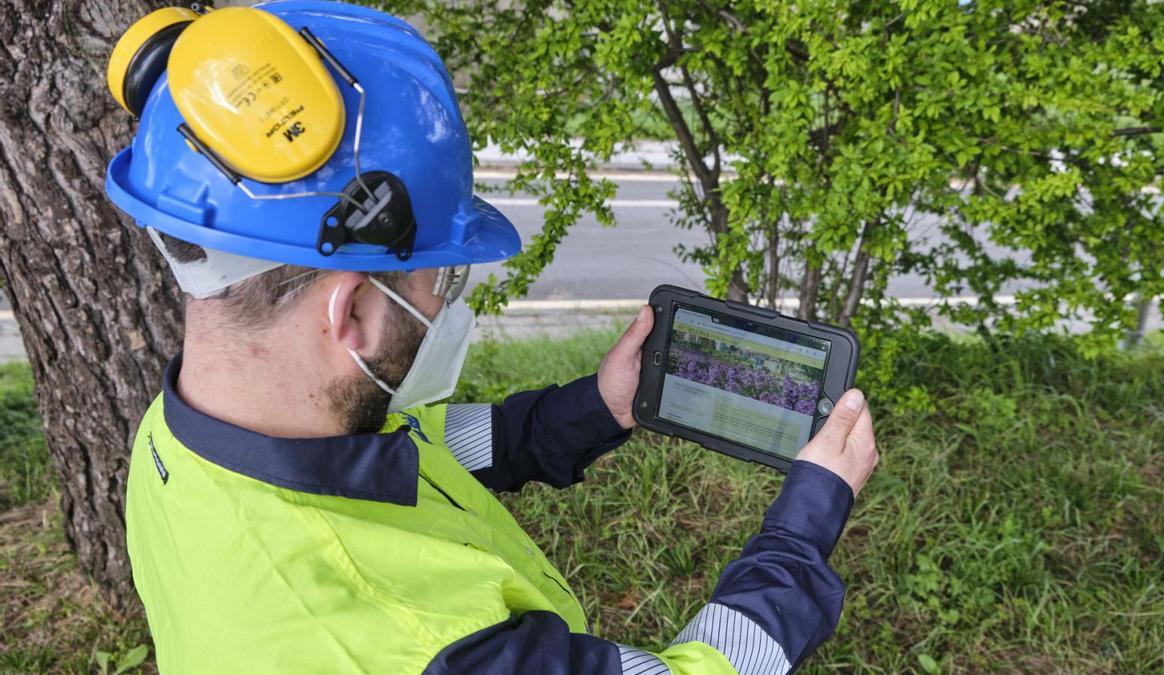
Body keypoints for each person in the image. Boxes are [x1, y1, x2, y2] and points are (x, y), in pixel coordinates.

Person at [104, 2, 878, 673]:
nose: (445, 305)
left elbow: (436, 448)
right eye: (442, 281)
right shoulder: (422, 647)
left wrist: (602, 407)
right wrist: (801, 528)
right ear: (351, 315)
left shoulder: (179, 442)